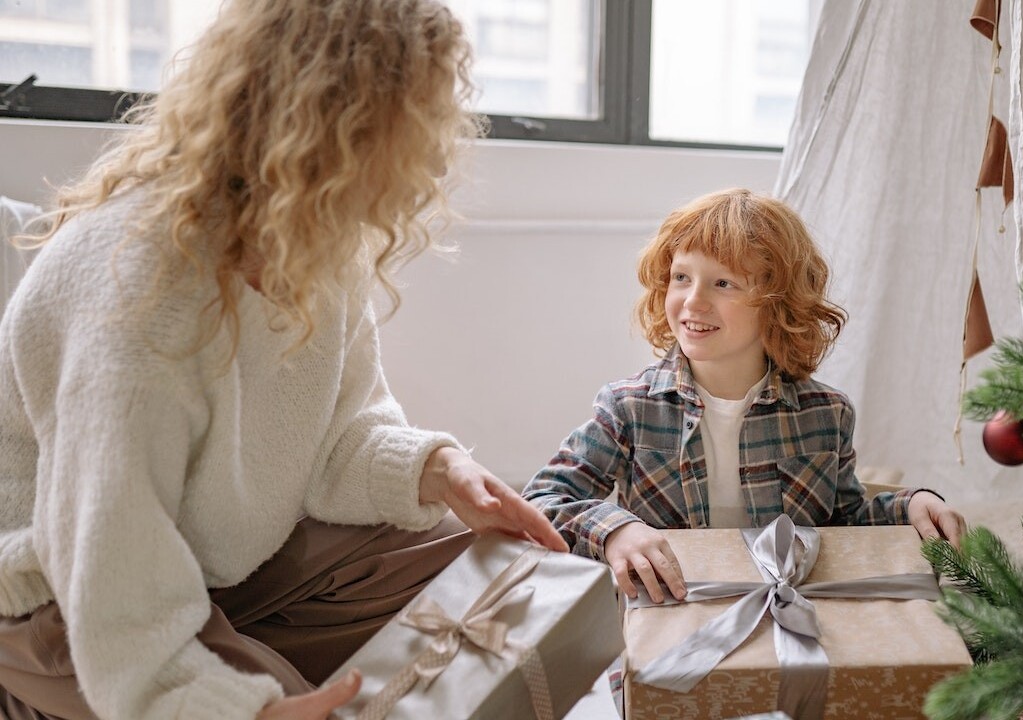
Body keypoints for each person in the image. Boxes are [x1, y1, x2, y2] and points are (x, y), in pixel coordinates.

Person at [0, 1, 568, 719]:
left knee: (502, 586)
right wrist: (239, 706)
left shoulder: (318, 240)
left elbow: (338, 436)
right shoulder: (138, 288)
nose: (433, 151)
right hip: (67, 594)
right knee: (291, 708)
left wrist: (435, 470)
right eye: (421, 121)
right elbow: (111, 556)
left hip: (216, 564)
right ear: (341, 119)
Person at [523, 188, 967, 605]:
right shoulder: (629, 408)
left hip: (789, 620)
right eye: (681, 277)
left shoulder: (826, 414)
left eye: (723, 284)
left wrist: (910, 506)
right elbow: (541, 502)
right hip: (670, 621)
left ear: (777, 302)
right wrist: (615, 529)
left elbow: (842, 520)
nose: (693, 301)